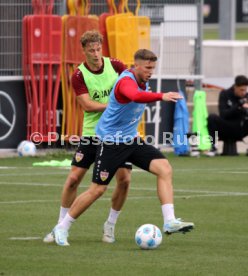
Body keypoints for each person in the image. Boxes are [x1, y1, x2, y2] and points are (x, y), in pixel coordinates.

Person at [52, 49, 195, 246]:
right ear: (135, 65)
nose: (150, 71)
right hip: (111, 141)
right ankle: (62, 227)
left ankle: (169, 221)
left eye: (153, 68)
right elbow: (134, 96)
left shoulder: (144, 80)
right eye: (147, 68)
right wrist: (161, 96)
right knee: (98, 190)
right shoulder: (126, 81)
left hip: (131, 139)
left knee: (164, 168)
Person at [43, 30, 132, 244]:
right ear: (83, 51)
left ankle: (110, 226)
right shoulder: (78, 75)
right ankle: (59, 226)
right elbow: (87, 105)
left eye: (98, 49)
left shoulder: (117, 66)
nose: (95, 53)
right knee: (74, 179)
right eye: (91, 50)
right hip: (92, 134)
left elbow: (131, 87)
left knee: (125, 180)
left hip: (118, 133)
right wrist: (114, 105)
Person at [206, 75, 248, 156]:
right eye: (241, 90)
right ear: (235, 87)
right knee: (212, 117)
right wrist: (238, 106)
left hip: (240, 128)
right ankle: (213, 148)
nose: (243, 92)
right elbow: (223, 114)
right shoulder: (225, 94)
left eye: (245, 90)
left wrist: (245, 109)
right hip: (225, 127)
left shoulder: (246, 96)